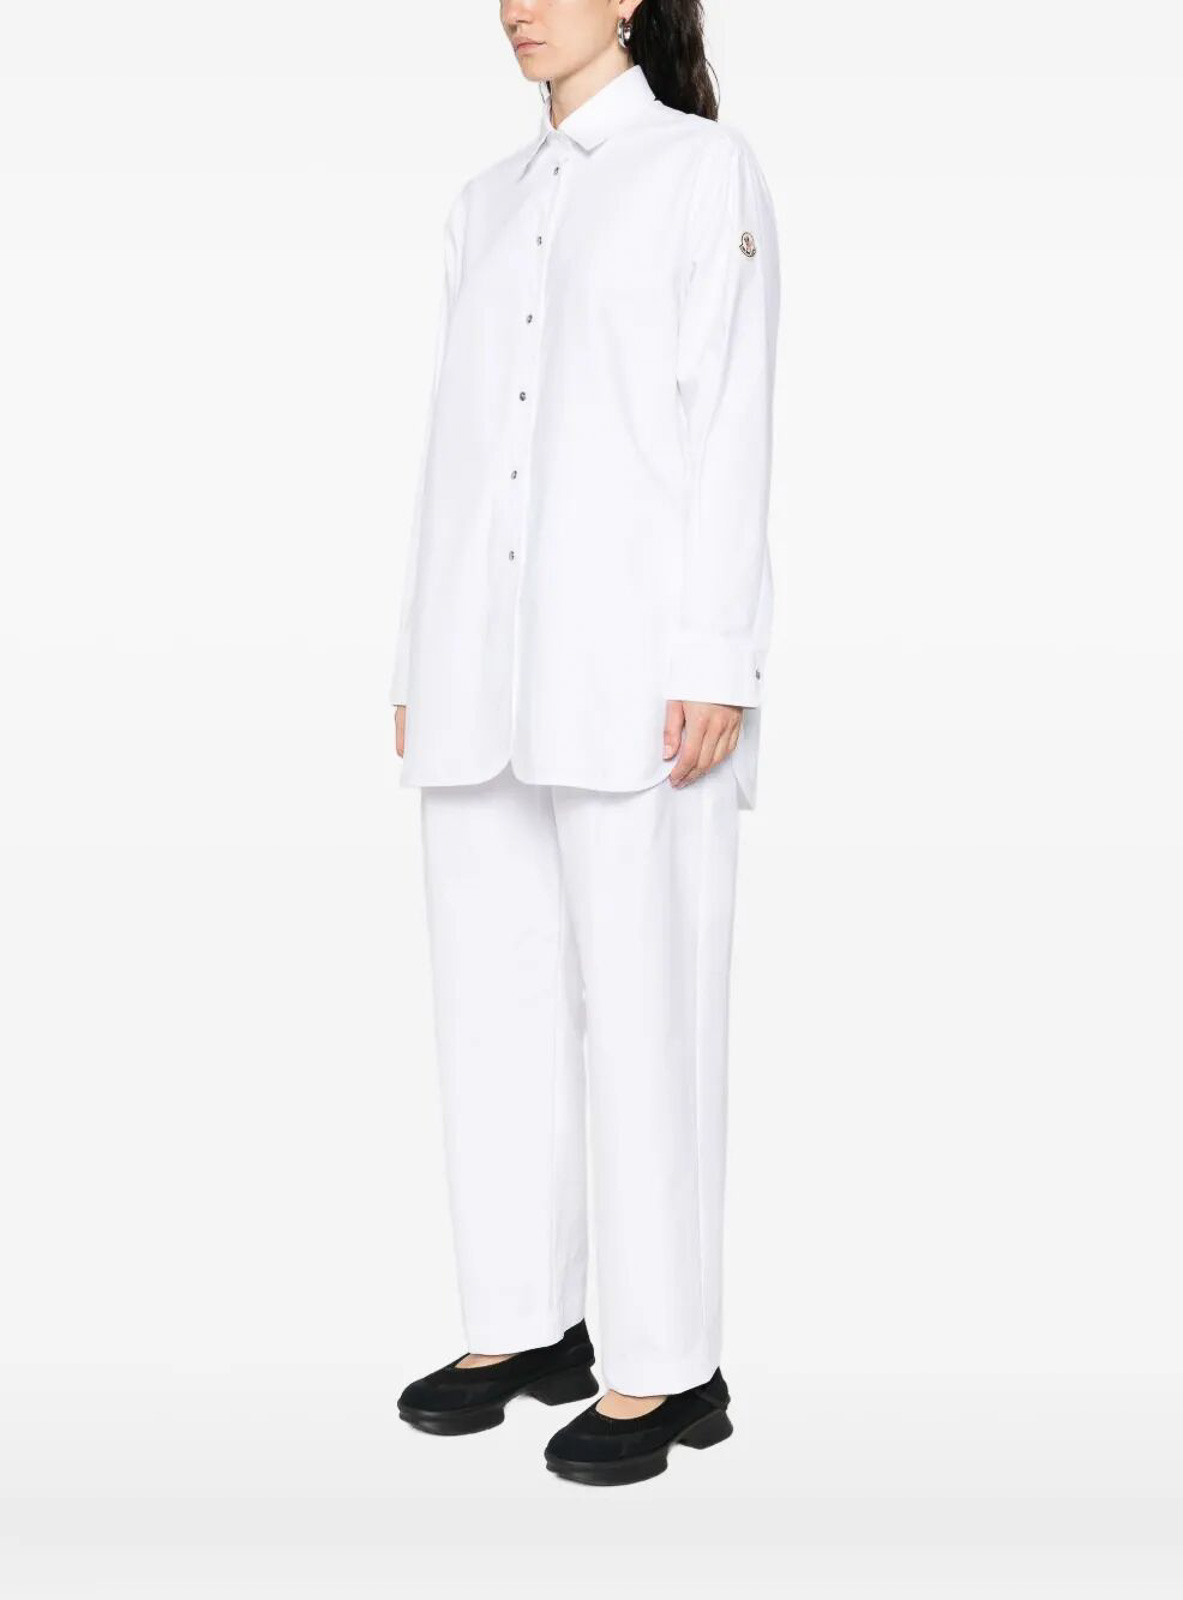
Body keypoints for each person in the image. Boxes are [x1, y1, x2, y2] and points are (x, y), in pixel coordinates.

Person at [390, 0, 780, 1488]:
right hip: (482, 669)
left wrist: (716, 653)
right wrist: (418, 654)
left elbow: (729, 417)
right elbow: (450, 445)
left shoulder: (700, 171)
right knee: (490, 1004)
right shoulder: (481, 204)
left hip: (637, 678)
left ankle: (668, 1365)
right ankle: (522, 1323)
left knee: (649, 1014)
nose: (518, 5)